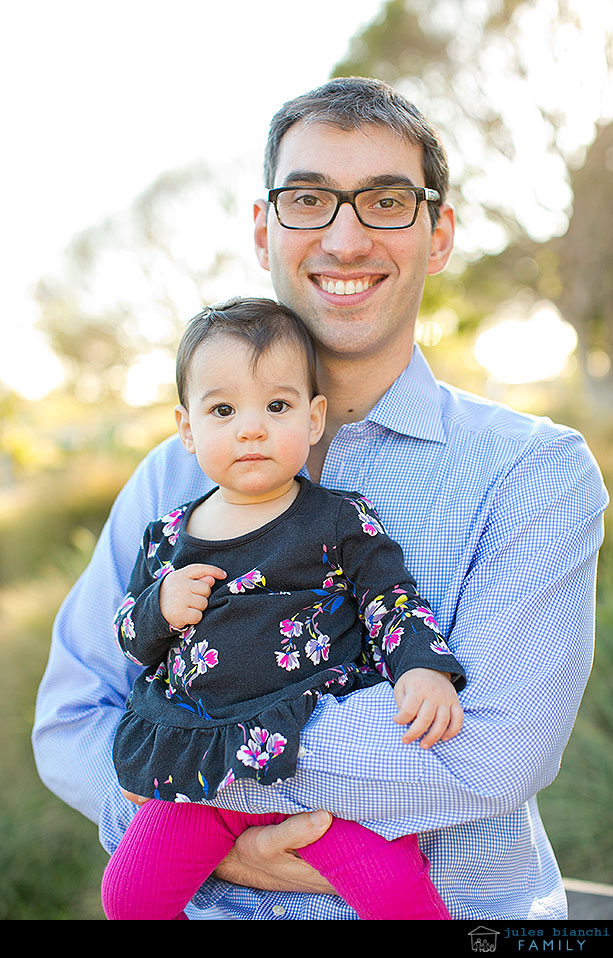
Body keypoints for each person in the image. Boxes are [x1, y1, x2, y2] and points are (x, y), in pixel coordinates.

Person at [33, 76, 608, 921]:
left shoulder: (534, 473)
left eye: (384, 200)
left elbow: (492, 755)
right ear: (265, 229)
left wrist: (187, 770)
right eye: (307, 198)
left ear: (436, 232)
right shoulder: (169, 475)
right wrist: (212, 844)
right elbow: (73, 715)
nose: (344, 238)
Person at [101, 297, 465, 920]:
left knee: (400, 894)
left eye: (277, 405)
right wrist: (161, 605)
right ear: (187, 428)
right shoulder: (167, 537)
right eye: (222, 409)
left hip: (319, 773)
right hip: (201, 772)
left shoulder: (337, 518)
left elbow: (391, 598)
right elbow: (133, 640)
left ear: (314, 416)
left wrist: (421, 668)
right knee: (128, 895)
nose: (252, 428)